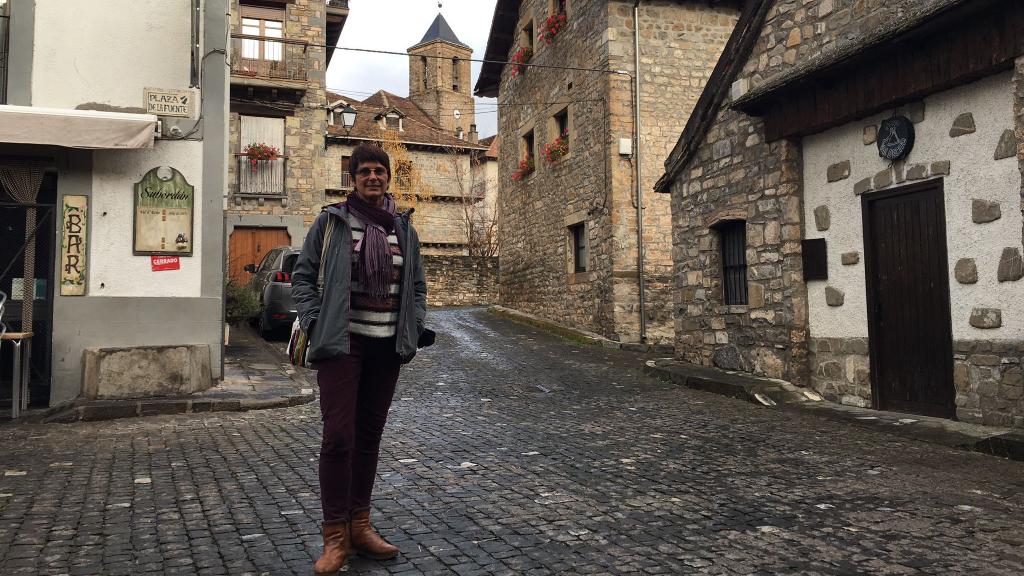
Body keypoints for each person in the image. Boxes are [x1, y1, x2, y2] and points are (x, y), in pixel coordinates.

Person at [291, 143, 427, 575]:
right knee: (338, 439)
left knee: (369, 438)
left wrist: (413, 323)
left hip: (385, 348)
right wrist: (315, 321)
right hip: (341, 346)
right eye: (365, 171)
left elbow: (418, 286)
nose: (373, 177)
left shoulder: (403, 228)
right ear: (352, 179)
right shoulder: (332, 222)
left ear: (388, 178)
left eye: (380, 172)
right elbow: (303, 276)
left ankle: (360, 526)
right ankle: (335, 537)